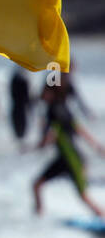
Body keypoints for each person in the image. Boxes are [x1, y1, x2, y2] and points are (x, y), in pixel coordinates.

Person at [33, 82, 104, 217]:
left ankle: (102, 216)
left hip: (71, 158)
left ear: (52, 92)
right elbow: (77, 128)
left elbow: (55, 133)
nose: (43, 94)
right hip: (66, 158)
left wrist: (40, 144)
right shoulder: (62, 108)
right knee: (37, 185)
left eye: (45, 91)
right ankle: (38, 217)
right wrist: (96, 146)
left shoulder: (53, 110)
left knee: (83, 195)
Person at [9, 69, 32, 145]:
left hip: (22, 107)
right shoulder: (16, 79)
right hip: (18, 106)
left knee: (23, 126)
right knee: (19, 125)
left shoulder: (25, 79)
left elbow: (27, 95)